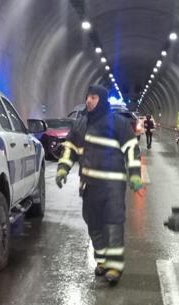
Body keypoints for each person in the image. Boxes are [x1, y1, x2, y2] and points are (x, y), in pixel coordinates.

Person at [55, 84, 143, 285]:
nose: (89, 101)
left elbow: (131, 149)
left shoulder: (118, 124)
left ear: (101, 100)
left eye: (93, 97)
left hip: (113, 184)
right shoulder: (81, 124)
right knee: (93, 223)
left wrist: (135, 175)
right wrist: (63, 168)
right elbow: (70, 148)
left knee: (112, 222)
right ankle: (102, 260)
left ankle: (114, 267)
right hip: (89, 184)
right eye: (88, 97)